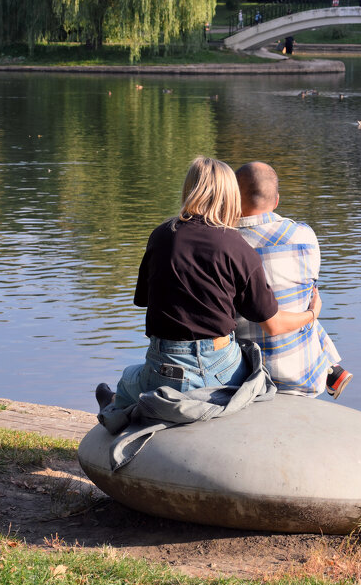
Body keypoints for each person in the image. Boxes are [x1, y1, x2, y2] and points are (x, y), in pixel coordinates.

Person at [97, 156, 323, 415]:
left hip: (163, 364)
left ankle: (113, 408)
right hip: (219, 369)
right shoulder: (236, 245)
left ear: (188, 189)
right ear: (230, 195)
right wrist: (311, 314)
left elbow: (145, 299)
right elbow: (273, 324)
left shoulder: (160, 235)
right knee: (253, 362)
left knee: (128, 380)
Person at [234, 162, 350, 398]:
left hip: (247, 375)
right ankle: (329, 367)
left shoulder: (225, 243)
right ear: (276, 201)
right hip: (305, 374)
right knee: (306, 296)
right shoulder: (304, 235)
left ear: (232, 199)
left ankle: (332, 368)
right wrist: (312, 313)